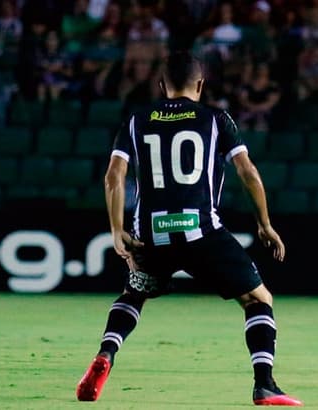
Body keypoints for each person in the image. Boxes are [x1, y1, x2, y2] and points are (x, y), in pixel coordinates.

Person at [75, 50, 302, 407]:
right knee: (258, 300)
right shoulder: (216, 119)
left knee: (134, 295)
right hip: (202, 232)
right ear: (200, 84)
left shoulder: (136, 120)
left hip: (151, 235)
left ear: (162, 85)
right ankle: (265, 385)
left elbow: (113, 177)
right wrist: (265, 223)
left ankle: (106, 354)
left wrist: (117, 229)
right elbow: (247, 172)